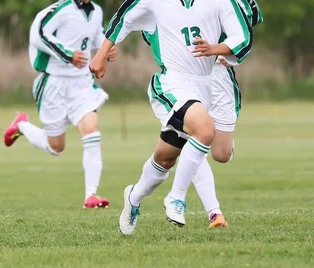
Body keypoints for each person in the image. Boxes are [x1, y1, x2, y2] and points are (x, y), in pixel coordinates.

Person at [89, 0, 252, 235]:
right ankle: (177, 198)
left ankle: (133, 197)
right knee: (205, 130)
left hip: (205, 87)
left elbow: (243, 38)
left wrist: (214, 49)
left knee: (165, 159)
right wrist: (101, 54)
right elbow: (123, 18)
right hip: (171, 84)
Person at [140, 0, 262, 228]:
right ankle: (214, 212)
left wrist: (224, 46)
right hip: (183, 79)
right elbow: (145, 30)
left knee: (222, 154)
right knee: (195, 137)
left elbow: (249, 20)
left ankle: (215, 138)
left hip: (221, 76)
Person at [3, 0, 116, 208]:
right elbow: (38, 34)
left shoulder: (97, 12)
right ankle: (21, 125)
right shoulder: (60, 9)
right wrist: (67, 54)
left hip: (82, 84)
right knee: (56, 147)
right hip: (53, 83)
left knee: (92, 131)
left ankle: (91, 195)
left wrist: (105, 49)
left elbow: (96, 37)